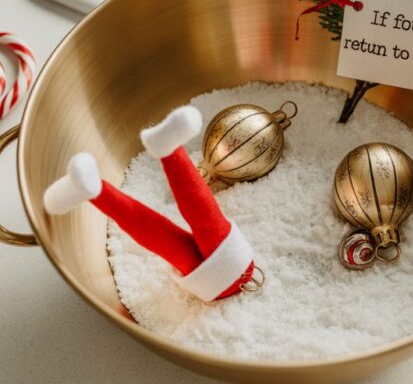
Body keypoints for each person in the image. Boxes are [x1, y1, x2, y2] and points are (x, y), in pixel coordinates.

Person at [43, 105, 263, 302]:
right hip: (214, 279)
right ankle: (94, 190)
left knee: (190, 224)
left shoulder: (242, 268)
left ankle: (165, 152)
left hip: (230, 272)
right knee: (164, 237)